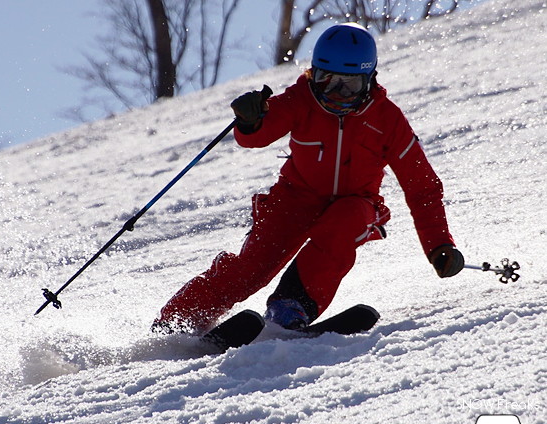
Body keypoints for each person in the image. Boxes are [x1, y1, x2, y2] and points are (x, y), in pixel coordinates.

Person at [151, 23, 464, 334]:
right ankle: (178, 322)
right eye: (328, 81)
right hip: (294, 198)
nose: (338, 94)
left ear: (369, 80)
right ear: (314, 74)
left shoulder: (387, 120)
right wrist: (250, 122)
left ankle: (291, 307)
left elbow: (422, 185)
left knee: (348, 219)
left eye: (350, 84)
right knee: (251, 268)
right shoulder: (302, 99)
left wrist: (439, 245)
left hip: (355, 202)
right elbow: (261, 133)